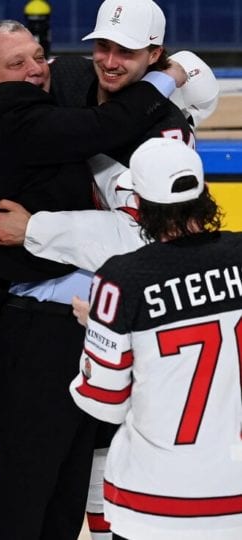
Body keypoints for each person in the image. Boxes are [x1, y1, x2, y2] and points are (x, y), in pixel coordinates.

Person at [0, 18, 186, 540]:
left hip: (71, 323)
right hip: (28, 326)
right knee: (26, 480)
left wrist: (35, 227)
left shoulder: (46, 94)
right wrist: (174, 73)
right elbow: (101, 130)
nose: (37, 70)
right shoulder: (4, 112)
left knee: (64, 480)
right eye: (18, 64)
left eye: (38, 56)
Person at [69, 137, 242, 540]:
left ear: (140, 204)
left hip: (158, 499)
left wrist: (98, 325)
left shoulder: (123, 279)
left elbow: (104, 401)